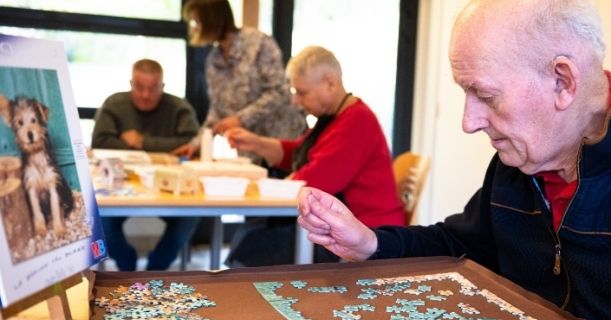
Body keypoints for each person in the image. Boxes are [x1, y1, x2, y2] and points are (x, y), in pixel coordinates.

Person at [296, 0, 611, 320]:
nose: (469, 121)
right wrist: (371, 244)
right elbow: (460, 245)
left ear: (562, 82)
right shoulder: (517, 163)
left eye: (484, 94)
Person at [222, 45, 405, 267]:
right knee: (250, 231)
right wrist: (256, 143)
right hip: (344, 227)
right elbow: (298, 152)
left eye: (302, 92)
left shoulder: (357, 121)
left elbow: (310, 182)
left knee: (253, 243)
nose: (296, 101)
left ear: (330, 83)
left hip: (366, 234)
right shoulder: (335, 117)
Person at [92, 59, 200, 271]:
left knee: (190, 216)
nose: (145, 95)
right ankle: (127, 264)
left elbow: (190, 144)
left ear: (163, 87)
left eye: (152, 89)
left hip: (169, 187)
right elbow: (99, 142)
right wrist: (164, 148)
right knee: (100, 220)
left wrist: (141, 142)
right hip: (120, 184)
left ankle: (155, 270)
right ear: (131, 83)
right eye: (139, 88)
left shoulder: (179, 108)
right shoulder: (114, 104)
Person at [173, 0, 305, 166]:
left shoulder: (258, 43)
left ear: (212, 20)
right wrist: (196, 144)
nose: (194, 28)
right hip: (249, 152)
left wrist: (240, 118)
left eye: (196, 21)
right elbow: (217, 111)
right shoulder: (213, 60)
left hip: (280, 143)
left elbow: (279, 92)